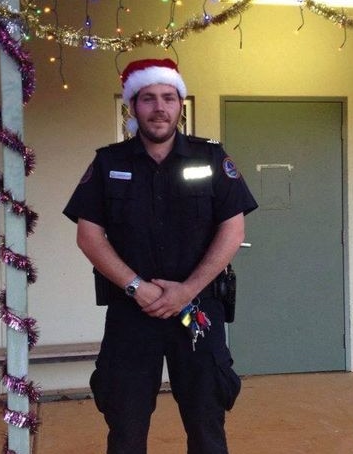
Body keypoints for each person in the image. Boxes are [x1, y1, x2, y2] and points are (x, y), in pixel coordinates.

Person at [63, 58, 258, 454]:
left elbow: (233, 230)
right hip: (132, 313)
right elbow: (89, 236)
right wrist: (137, 287)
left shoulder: (210, 158)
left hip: (197, 311)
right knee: (125, 426)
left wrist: (186, 290)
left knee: (207, 423)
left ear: (180, 105)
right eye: (148, 98)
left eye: (169, 98)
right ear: (132, 106)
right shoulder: (109, 163)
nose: (160, 107)